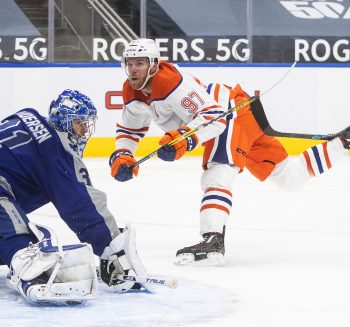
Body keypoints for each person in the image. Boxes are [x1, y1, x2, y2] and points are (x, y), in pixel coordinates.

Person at [109, 39, 350, 266]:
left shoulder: (170, 82)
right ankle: (343, 143)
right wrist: (123, 154)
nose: (133, 70)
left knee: (218, 171)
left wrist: (183, 140)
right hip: (239, 114)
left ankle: (212, 240)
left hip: (230, 111)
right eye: (129, 64)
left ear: (153, 65)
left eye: (139, 63)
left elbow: (213, 117)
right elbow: (130, 130)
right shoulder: (132, 92)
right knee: (290, 178)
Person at [0, 89, 150, 305]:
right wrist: (111, 249)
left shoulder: (27, 117)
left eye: (86, 124)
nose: (84, 131)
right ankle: (34, 274)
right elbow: (82, 205)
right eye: (79, 124)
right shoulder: (55, 150)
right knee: (23, 250)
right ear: (63, 123)